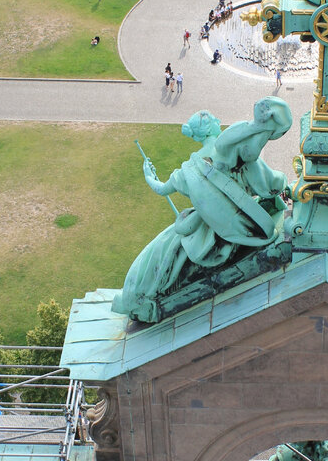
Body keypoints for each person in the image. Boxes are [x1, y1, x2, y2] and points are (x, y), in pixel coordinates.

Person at [111, 99, 292, 322]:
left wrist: (149, 175)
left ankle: (141, 297)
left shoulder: (187, 170)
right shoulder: (231, 149)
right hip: (242, 227)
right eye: (215, 120)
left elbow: (160, 189)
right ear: (213, 126)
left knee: (163, 250)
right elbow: (269, 184)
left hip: (210, 232)